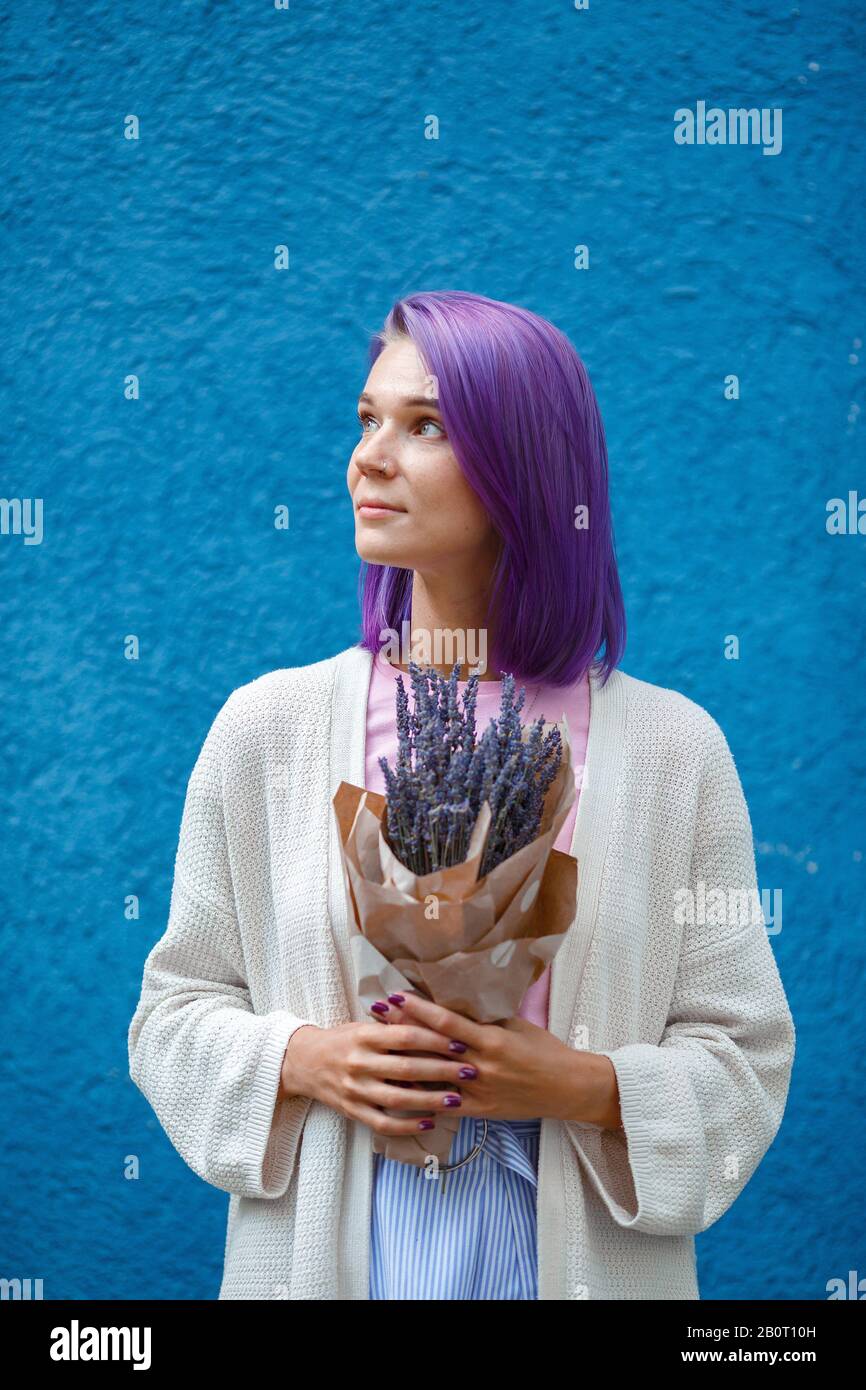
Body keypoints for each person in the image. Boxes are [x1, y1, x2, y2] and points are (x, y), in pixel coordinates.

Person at [127, 289, 796, 1300]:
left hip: (572, 1256)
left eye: (424, 425)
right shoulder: (267, 730)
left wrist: (580, 1086)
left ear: (521, 465)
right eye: (366, 420)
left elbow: (743, 1057)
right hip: (333, 1254)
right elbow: (171, 1016)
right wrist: (310, 1060)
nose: (369, 457)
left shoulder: (672, 753)